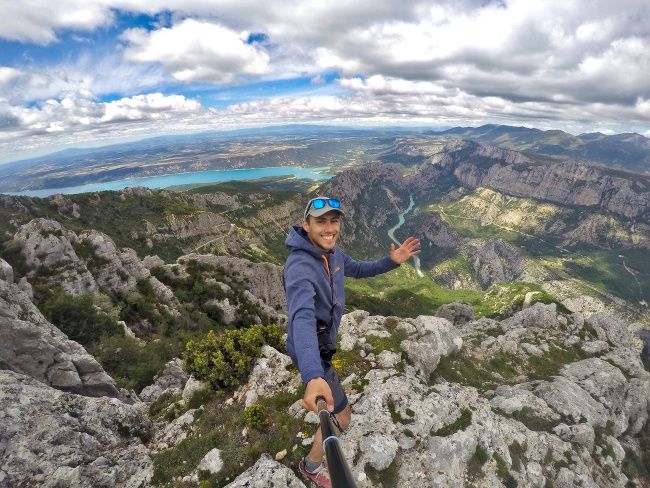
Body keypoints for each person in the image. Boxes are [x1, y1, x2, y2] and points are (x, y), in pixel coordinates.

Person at [284, 196, 421, 487]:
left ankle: (314, 455)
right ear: (305, 224)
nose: (329, 227)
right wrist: (312, 375)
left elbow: (358, 268)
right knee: (342, 418)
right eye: (321, 221)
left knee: (340, 414)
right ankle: (310, 466)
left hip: (322, 350)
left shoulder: (332, 253)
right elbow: (302, 320)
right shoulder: (299, 267)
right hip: (313, 355)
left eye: (334, 221)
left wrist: (391, 262)